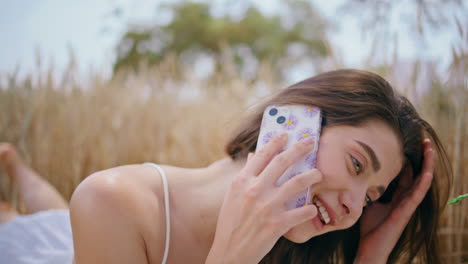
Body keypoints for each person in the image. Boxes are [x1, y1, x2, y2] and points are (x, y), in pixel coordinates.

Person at [0, 69, 452, 264]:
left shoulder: (287, 246)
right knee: (26, 232)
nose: (355, 207)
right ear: (296, 121)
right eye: (357, 165)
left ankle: (16, 170)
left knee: (49, 222)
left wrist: (370, 256)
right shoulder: (113, 200)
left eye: (372, 195)